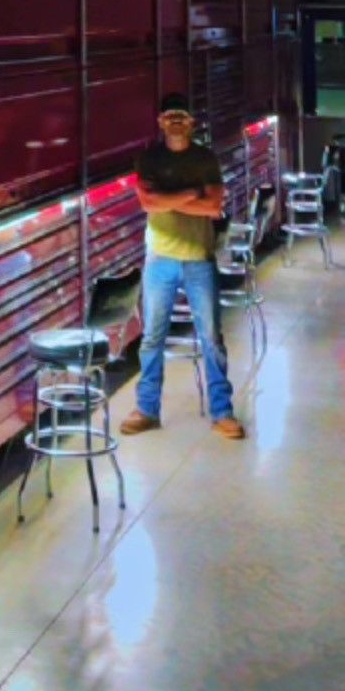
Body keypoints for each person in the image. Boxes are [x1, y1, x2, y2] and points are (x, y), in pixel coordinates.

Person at [120, 95, 245, 441]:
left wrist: (170, 200)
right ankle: (147, 409)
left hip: (198, 259)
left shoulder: (205, 158)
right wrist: (193, 193)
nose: (176, 121)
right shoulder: (149, 159)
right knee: (151, 339)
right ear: (160, 122)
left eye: (182, 116)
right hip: (159, 259)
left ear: (192, 123)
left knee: (212, 339)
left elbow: (214, 206)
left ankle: (223, 412)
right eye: (169, 116)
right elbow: (148, 202)